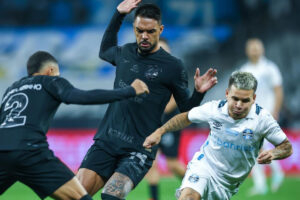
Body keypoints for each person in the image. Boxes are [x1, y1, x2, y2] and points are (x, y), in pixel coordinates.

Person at [76, 1, 218, 200]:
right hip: (107, 140)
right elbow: (104, 50)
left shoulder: (173, 66)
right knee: (75, 195)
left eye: (150, 31)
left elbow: (186, 108)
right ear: (134, 28)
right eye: (139, 30)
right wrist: (117, 15)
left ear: (160, 30)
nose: (144, 36)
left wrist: (198, 93)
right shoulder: (125, 52)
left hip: (139, 149)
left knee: (110, 197)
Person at [0, 51, 149, 200]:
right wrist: (130, 91)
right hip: (29, 150)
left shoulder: (10, 90)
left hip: (2, 152)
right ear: (50, 70)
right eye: (57, 72)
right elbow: (83, 97)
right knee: (79, 197)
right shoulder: (49, 81)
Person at [143, 71, 293, 200]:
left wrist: (274, 153)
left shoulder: (263, 119)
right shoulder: (215, 109)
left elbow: (286, 147)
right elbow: (185, 117)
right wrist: (160, 131)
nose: (239, 105)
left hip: (227, 184)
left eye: (245, 100)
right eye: (235, 98)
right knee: (188, 197)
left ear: (254, 98)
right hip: (204, 165)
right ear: (227, 94)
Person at [240, 38, 284, 195]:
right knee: (251, 148)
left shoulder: (270, 68)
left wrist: (276, 110)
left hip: (267, 113)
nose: (254, 50)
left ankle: (274, 175)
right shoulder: (244, 70)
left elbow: (278, 90)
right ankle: (263, 182)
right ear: (247, 51)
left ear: (262, 49)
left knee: (256, 147)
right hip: (251, 114)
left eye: (257, 48)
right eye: (251, 48)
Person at [145, 38, 186, 200]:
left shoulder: (176, 71)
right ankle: (154, 198)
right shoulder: (148, 71)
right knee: (151, 162)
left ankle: (197, 186)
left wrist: (155, 110)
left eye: (164, 49)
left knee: (172, 164)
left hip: (170, 123)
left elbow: (175, 99)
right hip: (152, 123)